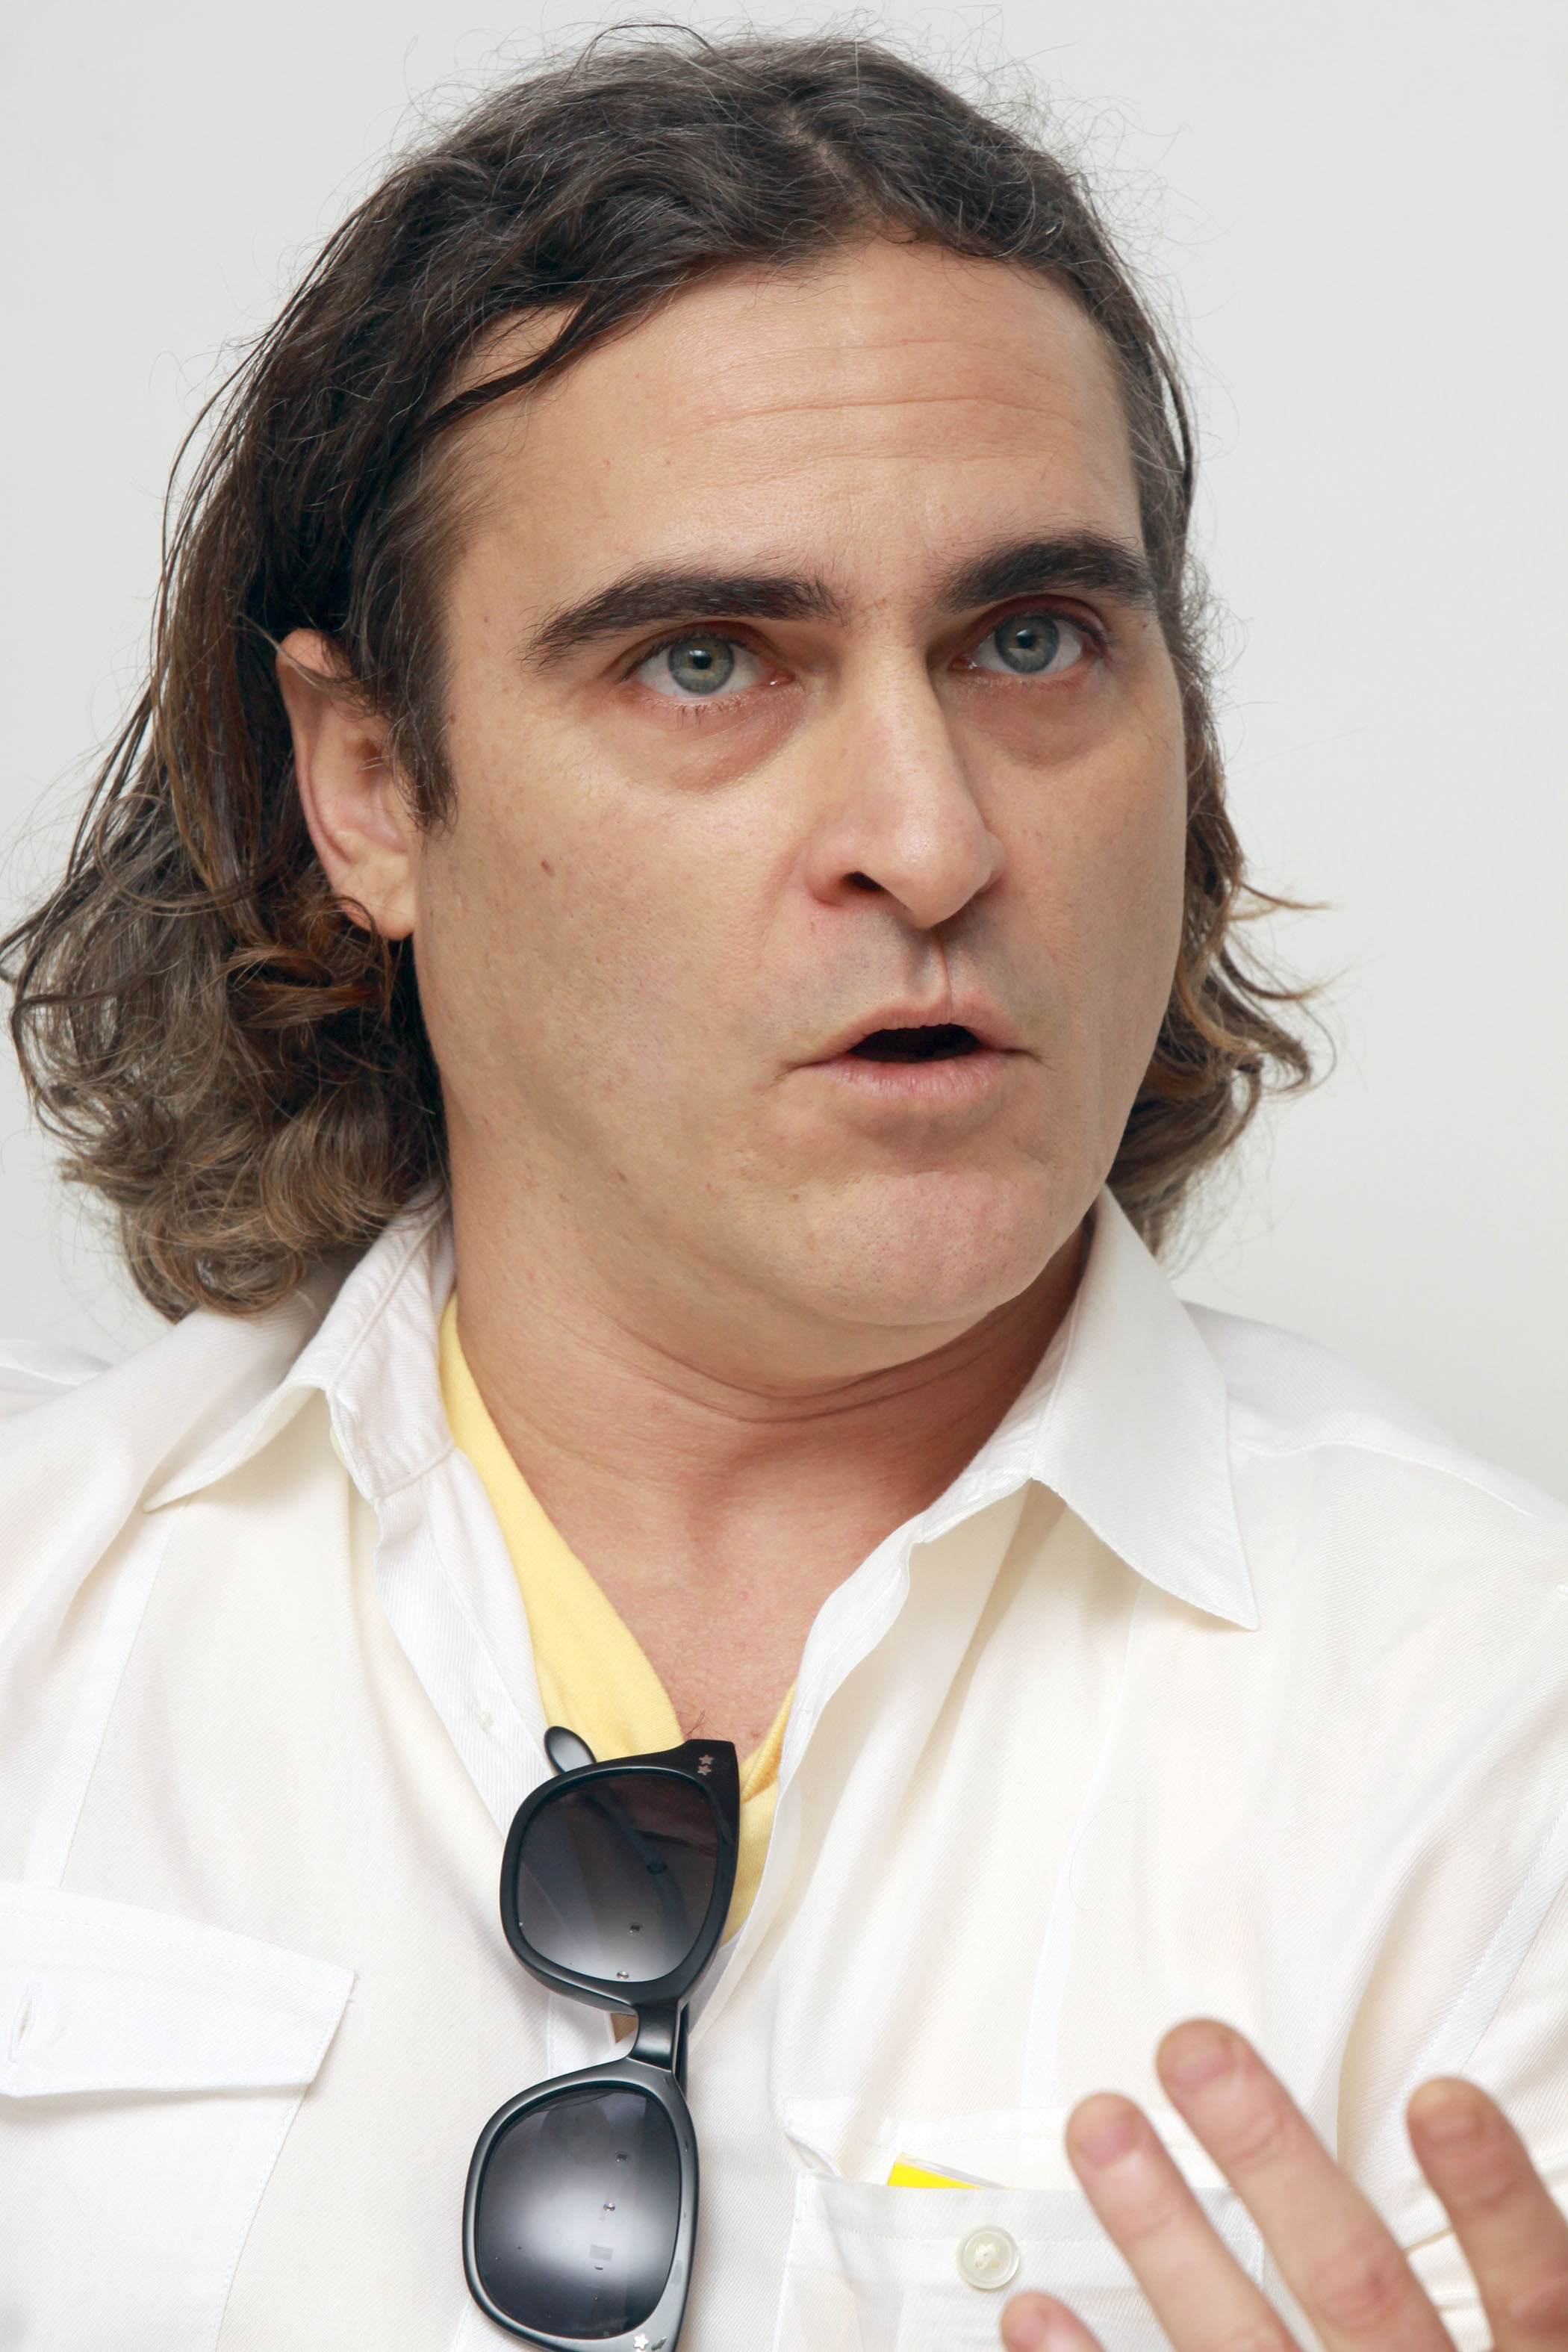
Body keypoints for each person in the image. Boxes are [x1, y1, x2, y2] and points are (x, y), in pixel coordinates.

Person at [1, 25, 1564, 2352]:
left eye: (1030, 641)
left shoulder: (1497, 1745)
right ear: (370, 787)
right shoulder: (40, 1612)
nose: (929, 841)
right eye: (706, 662)